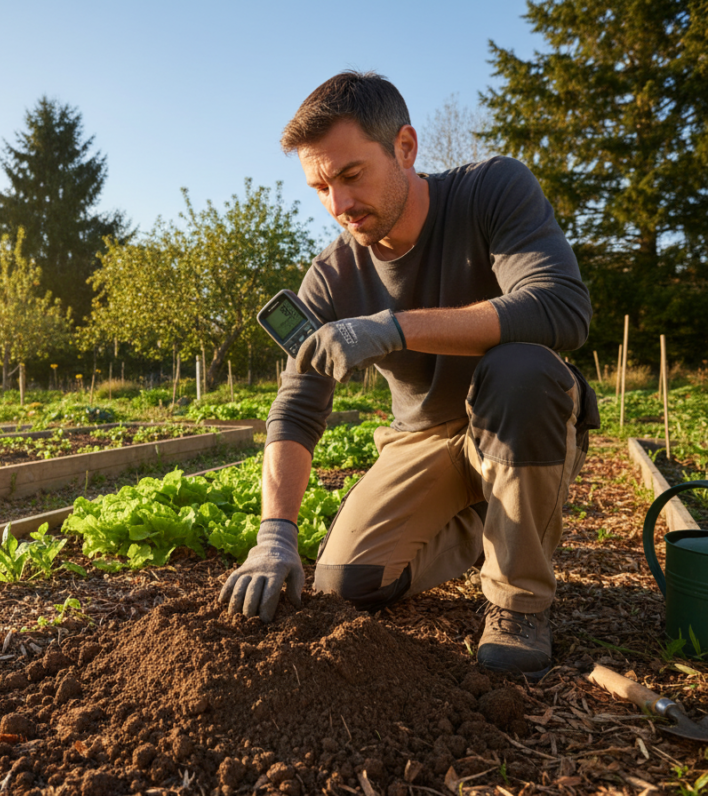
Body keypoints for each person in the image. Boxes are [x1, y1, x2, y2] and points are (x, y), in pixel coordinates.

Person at [218, 71, 599, 680]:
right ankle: (490, 522)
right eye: (319, 187)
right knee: (348, 582)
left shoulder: (492, 190)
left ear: (405, 147)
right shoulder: (332, 278)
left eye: (350, 175)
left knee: (521, 367)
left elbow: (561, 306)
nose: (339, 206)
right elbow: (298, 406)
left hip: (518, 415)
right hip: (423, 440)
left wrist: (395, 328)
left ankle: (519, 604)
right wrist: (275, 533)